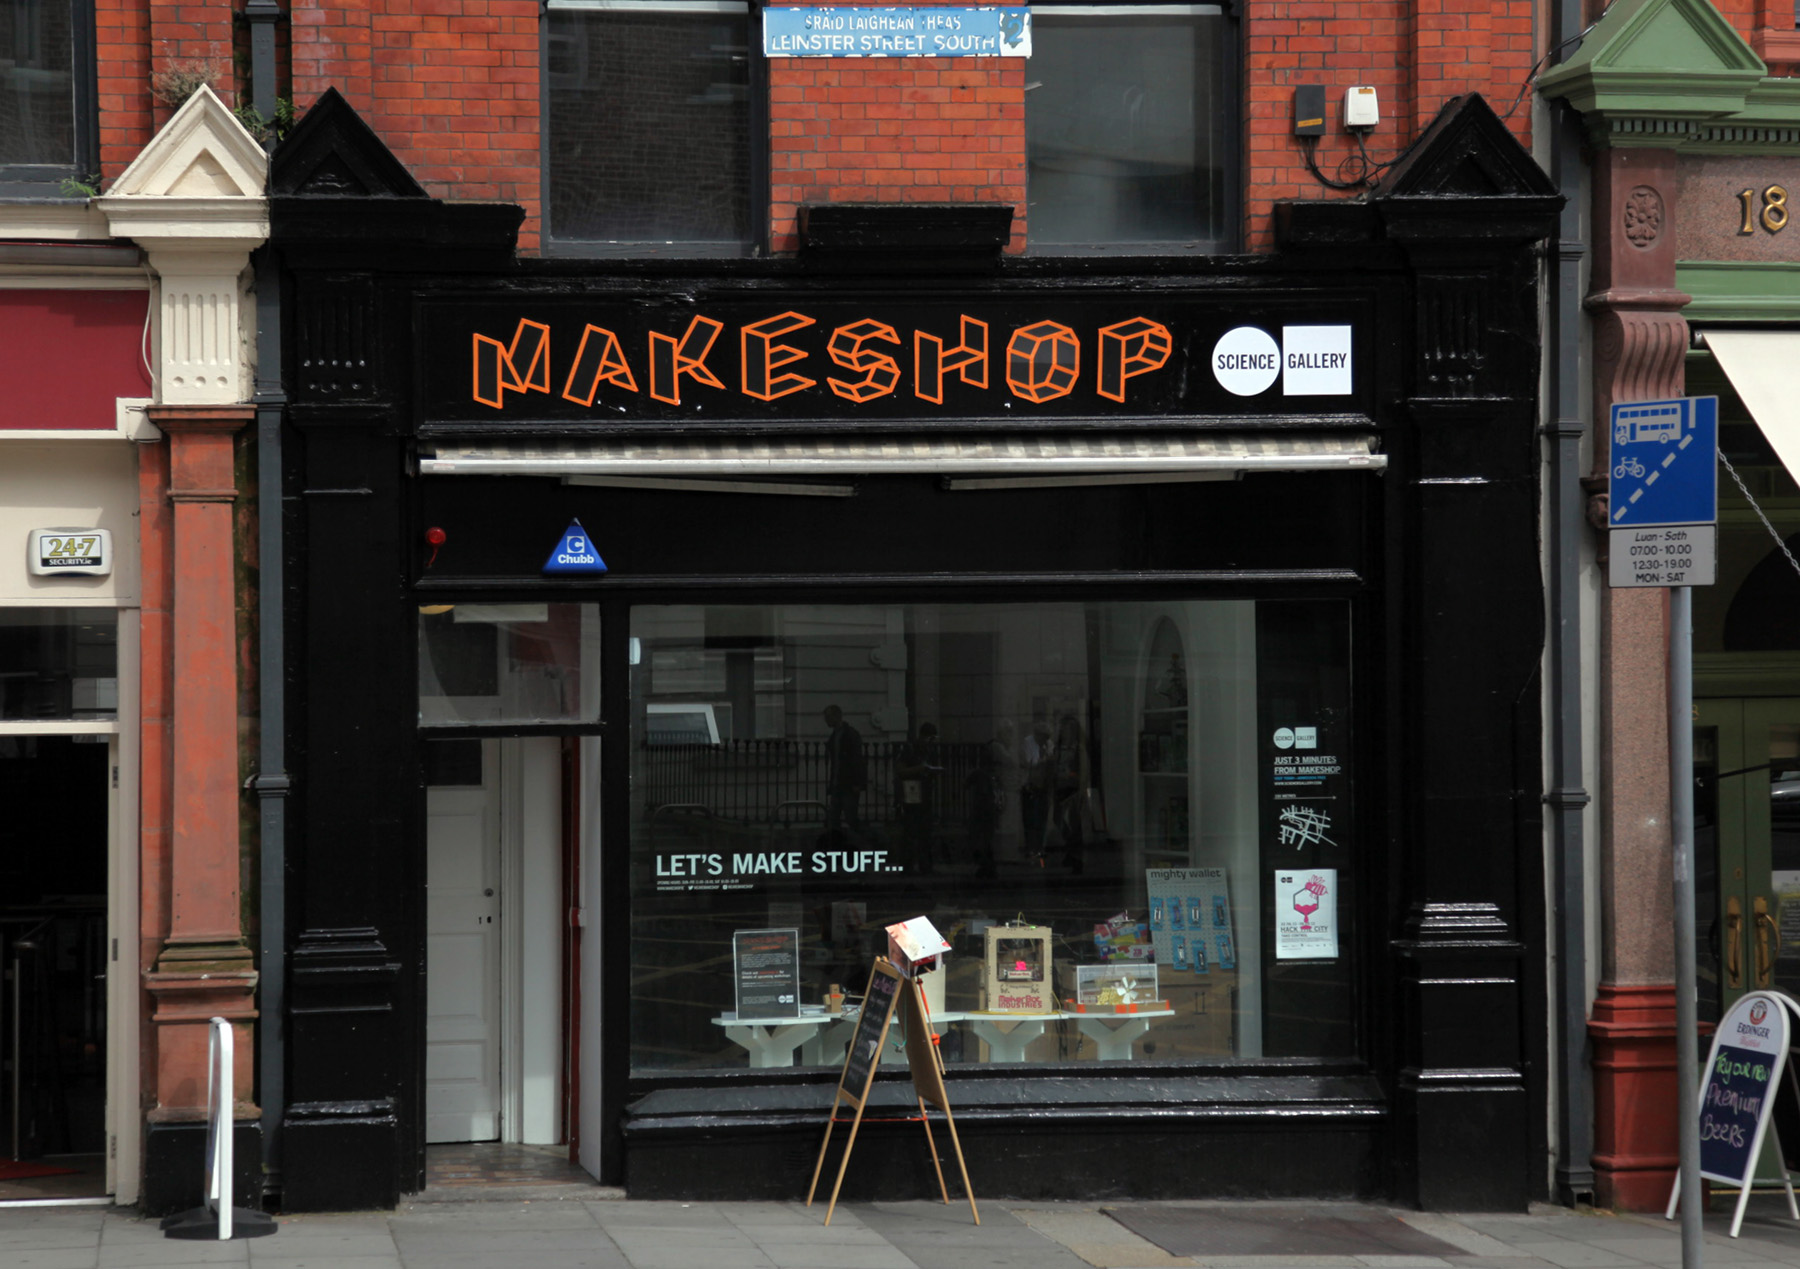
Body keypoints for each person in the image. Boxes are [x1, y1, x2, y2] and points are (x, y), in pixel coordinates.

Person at [894, 722, 940, 872]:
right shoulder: (910, 749)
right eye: (929, 739)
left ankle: (925, 865)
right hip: (911, 793)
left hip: (925, 793)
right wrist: (919, 769)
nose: (931, 743)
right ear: (923, 736)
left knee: (925, 831)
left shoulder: (930, 750)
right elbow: (900, 771)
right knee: (911, 831)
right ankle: (908, 865)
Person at [821, 704, 866, 840]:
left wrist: (857, 783)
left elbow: (856, 760)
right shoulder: (838, 736)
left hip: (847, 784)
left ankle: (857, 846)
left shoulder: (848, 735)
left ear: (836, 716)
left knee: (849, 818)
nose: (826, 721)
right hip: (840, 784)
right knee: (835, 818)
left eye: (828, 717)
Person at [1019, 718, 1053, 863]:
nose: (1043, 741)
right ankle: (1031, 848)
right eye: (1041, 737)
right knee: (1031, 819)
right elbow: (1028, 763)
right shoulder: (1028, 742)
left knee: (1042, 819)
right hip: (1030, 785)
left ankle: (1040, 847)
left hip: (1043, 786)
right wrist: (1042, 761)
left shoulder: (1048, 744)